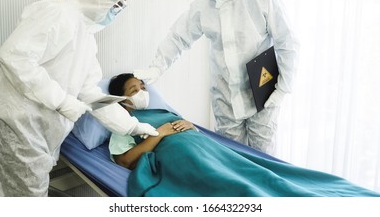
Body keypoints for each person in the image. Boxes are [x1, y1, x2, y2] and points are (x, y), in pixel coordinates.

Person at [0, 0, 158, 197]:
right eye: (116, 5)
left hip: (39, 133)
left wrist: (132, 126)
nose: (116, 13)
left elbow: (91, 93)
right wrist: (61, 101)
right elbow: (15, 57)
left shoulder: (87, 39)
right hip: (17, 125)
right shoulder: (58, 13)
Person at [108, 73, 380, 197]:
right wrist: (162, 133)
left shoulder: (161, 110)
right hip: (181, 156)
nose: (143, 90)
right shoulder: (124, 120)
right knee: (241, 188)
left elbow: (178, 124)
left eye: (143, 85)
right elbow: (124, 160)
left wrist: (185, 124)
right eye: (134, 89)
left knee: (264, 173)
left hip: (206, 147)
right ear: (121, 99)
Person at [134, 0, 300, 155]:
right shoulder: (203, 7)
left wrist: (283, 88)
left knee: (263, 155)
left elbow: (287, 41)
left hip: (263, 88)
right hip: (225, 94)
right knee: (228, 154)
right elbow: (177, 37)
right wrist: (157, 67)